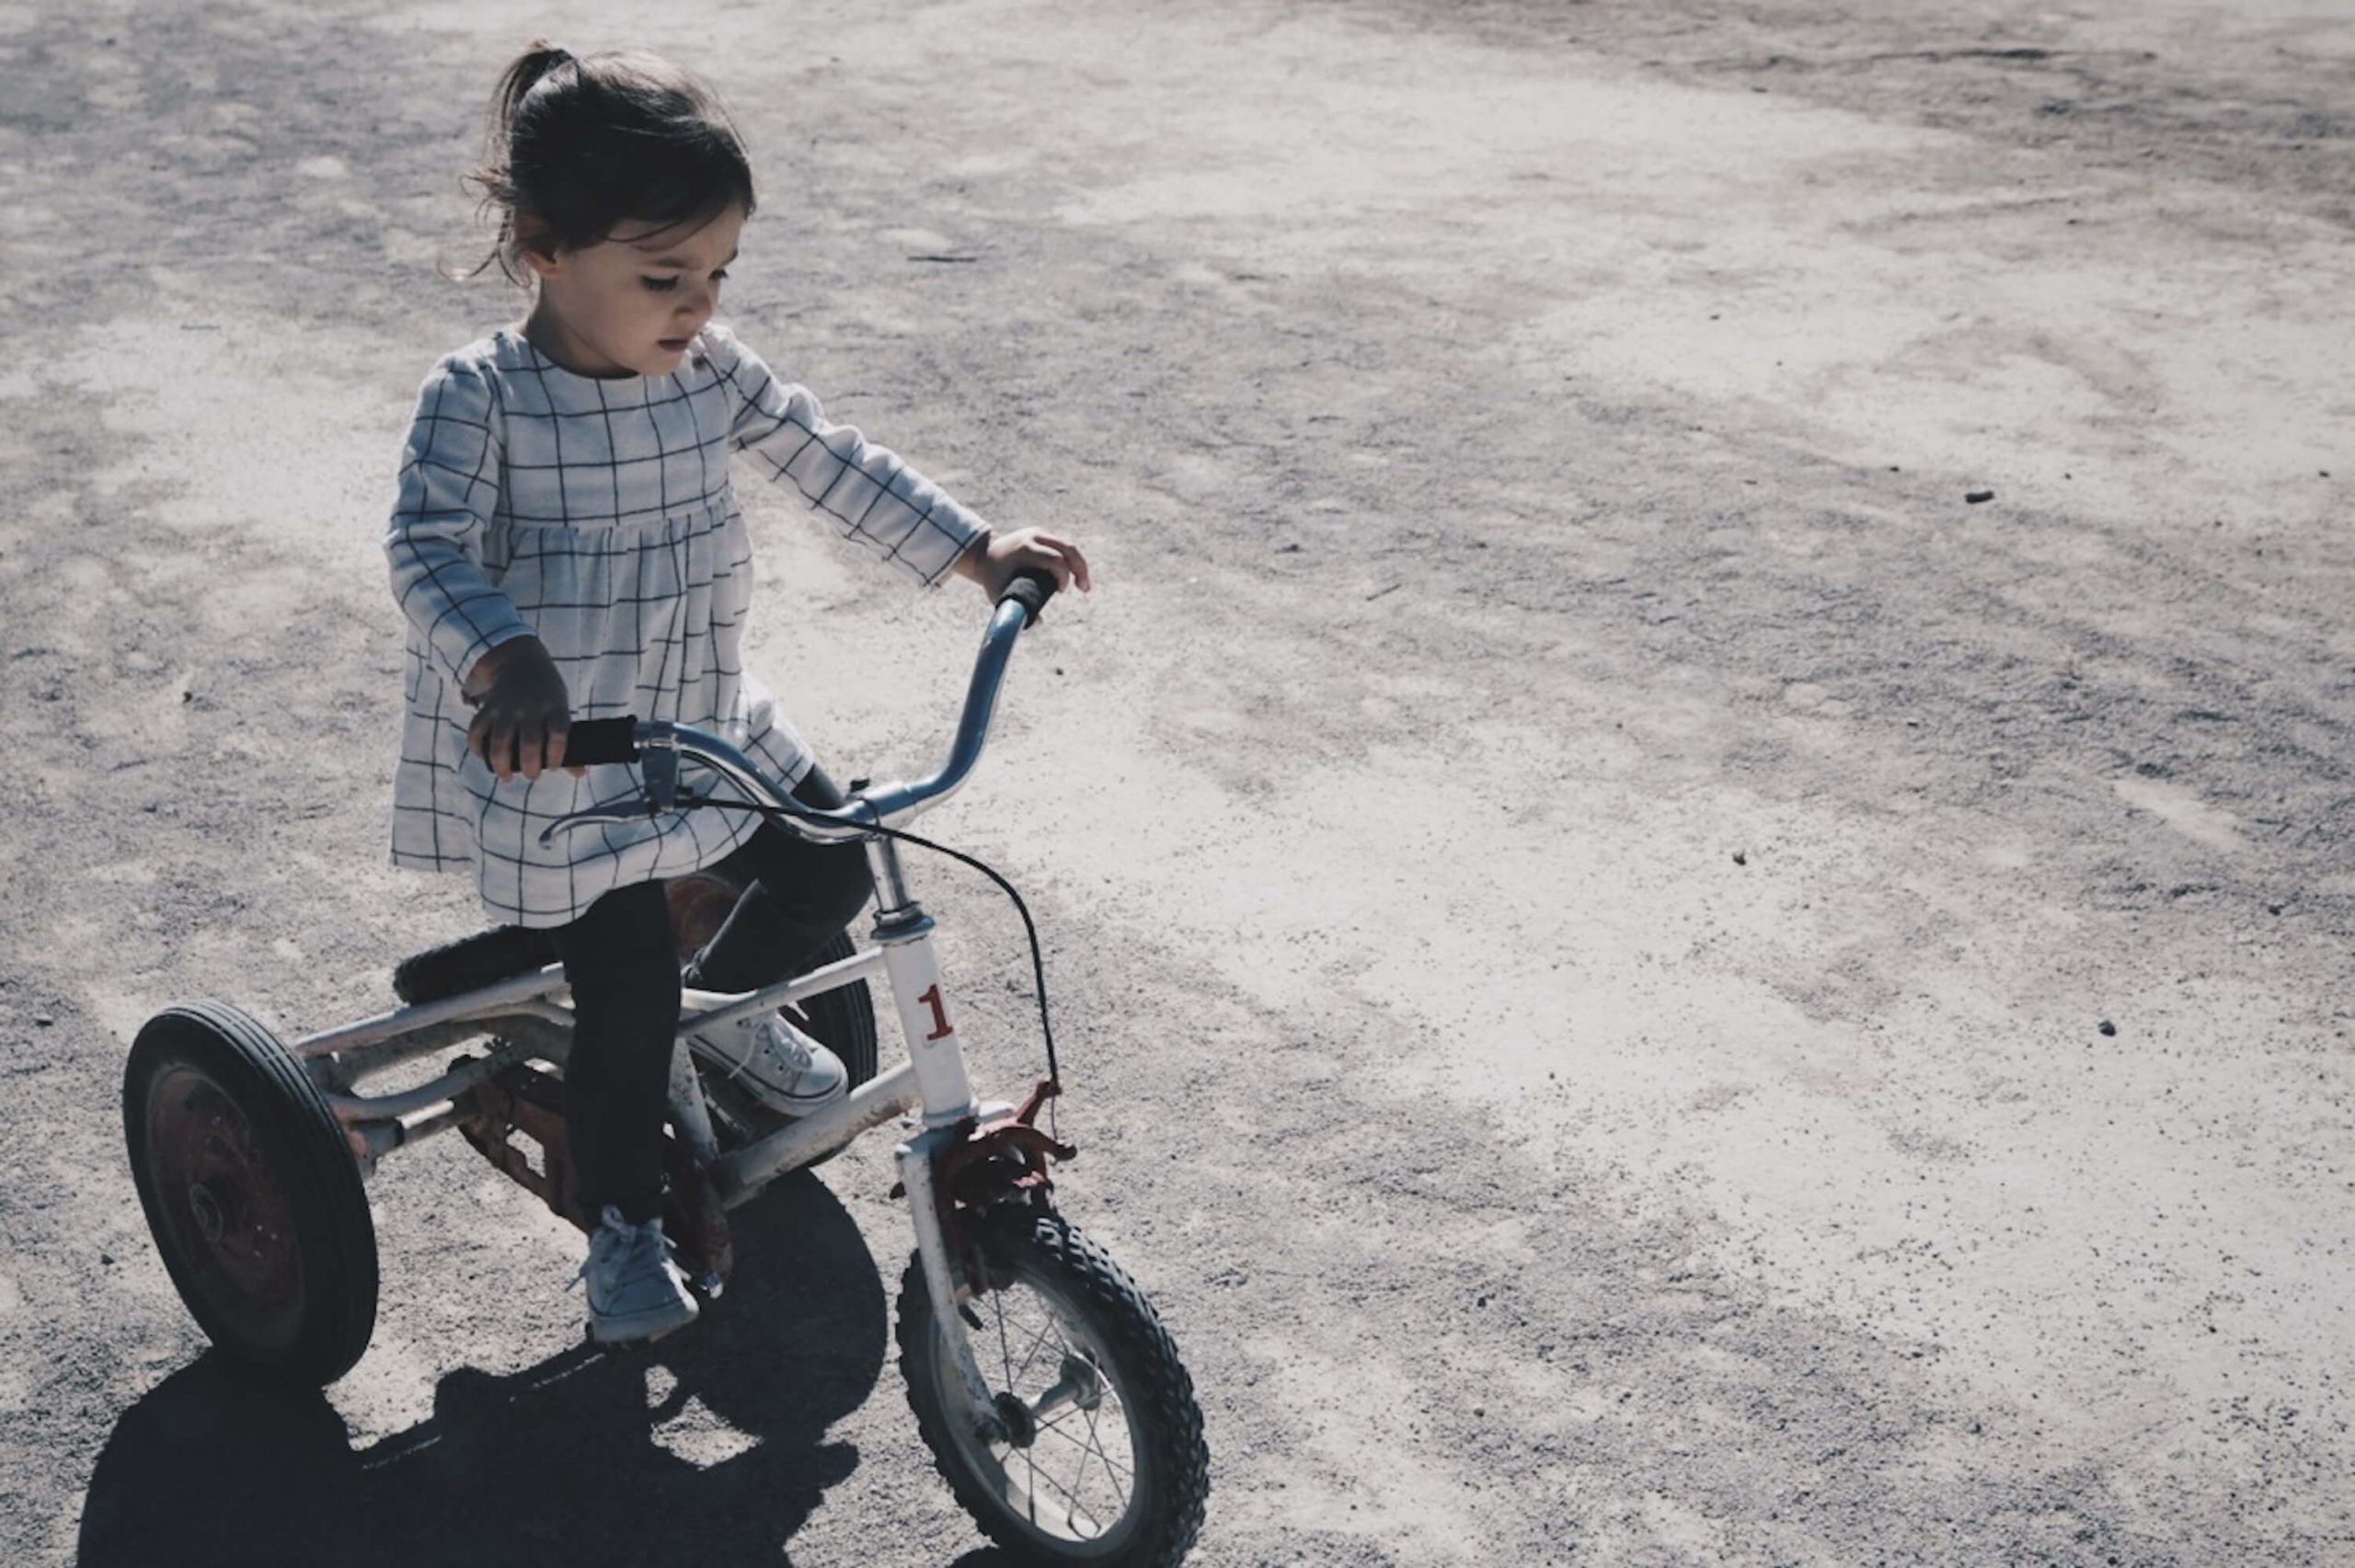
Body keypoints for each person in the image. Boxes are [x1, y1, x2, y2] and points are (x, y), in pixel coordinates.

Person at [384, 40, 1089, 1345]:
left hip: (703, 714)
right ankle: (624, 1225)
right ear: (544, 247)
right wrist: (507, 659)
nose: (697, 305)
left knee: (830, 864)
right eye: (663, 277)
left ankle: (726, 1024)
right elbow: (423, 546)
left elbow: (824, 454)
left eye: (716, 274)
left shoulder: (708, 373)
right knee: (625, 992)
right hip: (569, 759)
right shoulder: (482, 399)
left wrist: (971, 545)